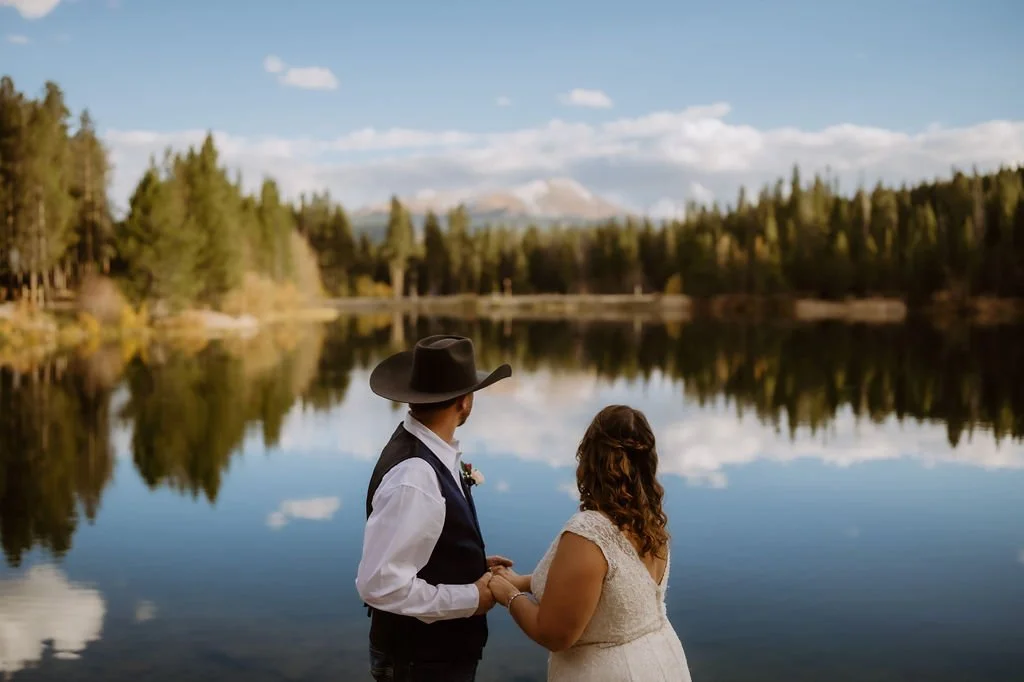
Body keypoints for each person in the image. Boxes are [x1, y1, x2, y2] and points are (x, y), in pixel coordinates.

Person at [488, 405, 692, 681]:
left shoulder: (589, 533)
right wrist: (521, 581)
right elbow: (608, 589)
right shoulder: (650, 523)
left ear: (590, 459)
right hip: (662, 662)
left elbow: (554, 634)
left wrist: (507, 595)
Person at [355, 334, 515, 682]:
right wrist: (471, 597)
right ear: (464, 402)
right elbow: (379, 585)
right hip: (421, 664)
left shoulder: (425, 452)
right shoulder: (415, 475)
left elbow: (415, 547)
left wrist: (463, 564)